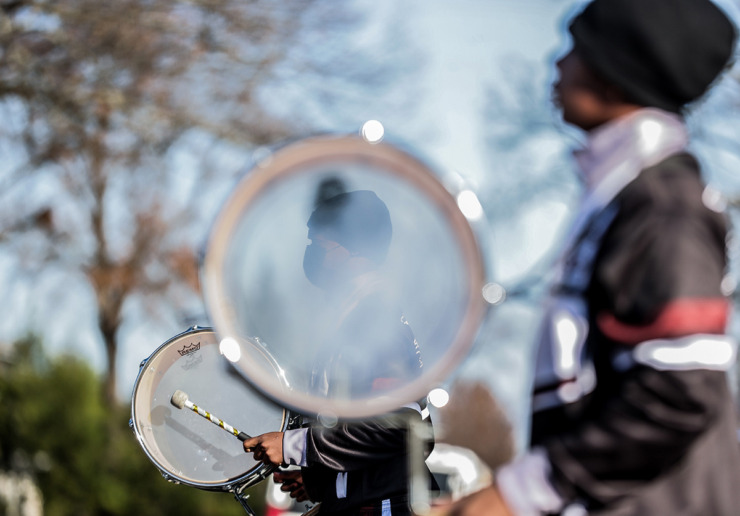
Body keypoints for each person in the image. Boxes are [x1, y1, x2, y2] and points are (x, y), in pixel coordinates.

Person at [441, 0, 740, 514]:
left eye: (575, 49)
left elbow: (680, 392)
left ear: (615, 78)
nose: (557, 64)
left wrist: (517, 494)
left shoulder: (662, 208)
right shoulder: (624, 195)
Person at [243, 187, 430, 516]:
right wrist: (320, 477)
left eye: (319, 243)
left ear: (355, 249)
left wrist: (293, 446)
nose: (310, 252)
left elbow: (401, 425)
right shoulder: (350, 324)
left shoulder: (375, 322)